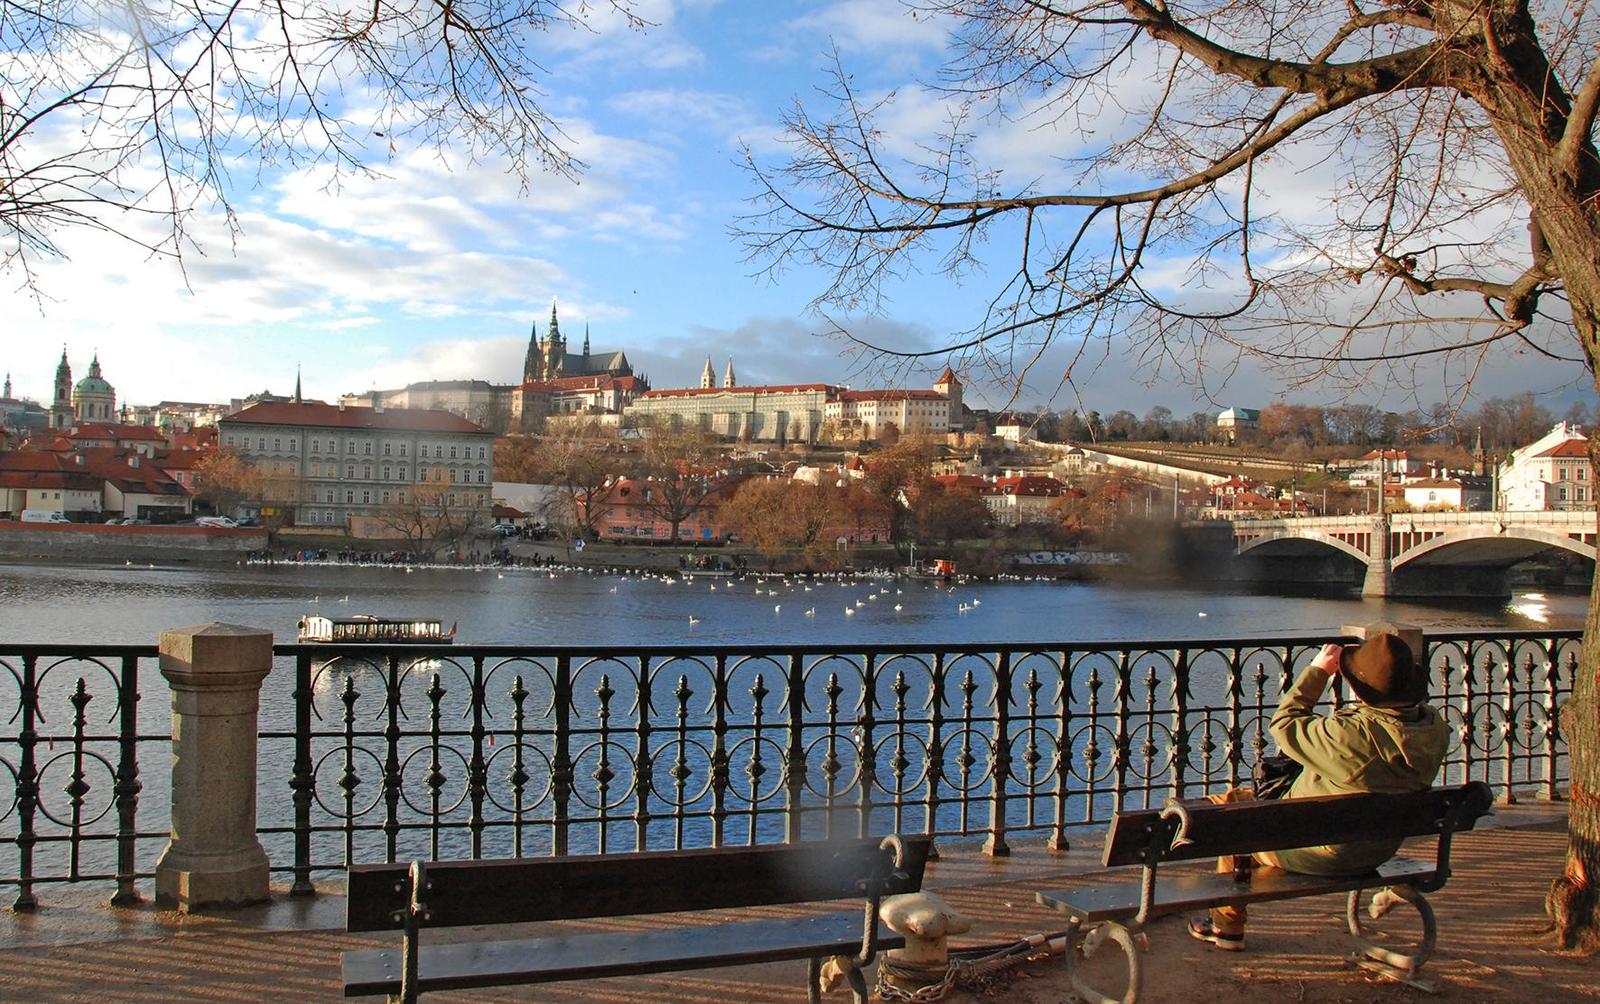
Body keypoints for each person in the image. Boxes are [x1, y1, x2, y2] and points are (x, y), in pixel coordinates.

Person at [1188, 632, 1451, 951]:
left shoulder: (1351, 737)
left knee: (1237, 822)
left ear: (1359, 689)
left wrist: (1317, 672)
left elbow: (1284, 724)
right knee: (1238, 803)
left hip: (1327, 853)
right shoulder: (1434, 730)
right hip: (1379, 847)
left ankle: (1226, 925)